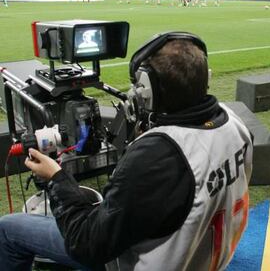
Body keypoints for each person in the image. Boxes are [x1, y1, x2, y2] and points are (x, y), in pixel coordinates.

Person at [0, 32, 253, 271]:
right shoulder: (234, 122)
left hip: (142, 261)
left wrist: (56, 178)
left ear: (147, 90)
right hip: (201, 255)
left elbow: (88, 244)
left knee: (8, 228)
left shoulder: (158, 156)